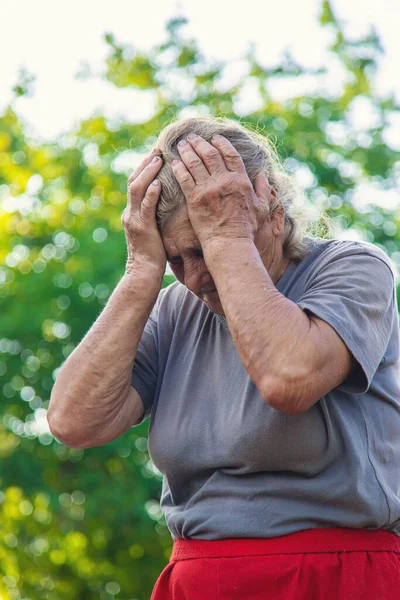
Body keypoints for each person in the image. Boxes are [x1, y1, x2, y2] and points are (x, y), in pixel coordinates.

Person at [47, 116, 400, 599]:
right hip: (199, 579)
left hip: (332, 577)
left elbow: (287, 379)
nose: (194, 279)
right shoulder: (176, 308)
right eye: (177, 259)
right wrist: (140, 272)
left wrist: (228, 239)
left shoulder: (352, 267)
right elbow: (74, 421)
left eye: (205, 251)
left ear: (272, 210)